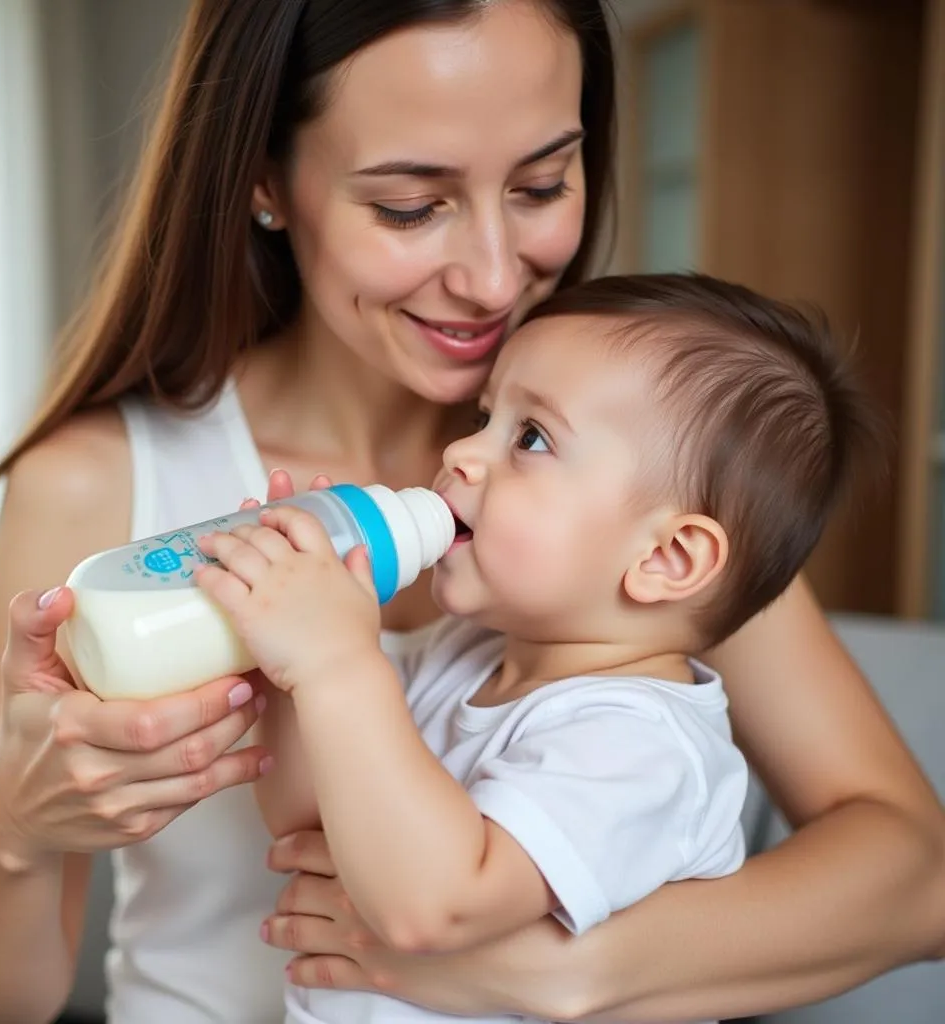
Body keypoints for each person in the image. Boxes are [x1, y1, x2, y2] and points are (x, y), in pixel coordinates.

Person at [0, 2, 941, 1023]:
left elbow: (915, 878)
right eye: (412, 205)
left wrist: (567, 970)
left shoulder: (653, 487)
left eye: (542, 184)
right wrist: (10, 823)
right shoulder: (96, 484)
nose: (496, 278)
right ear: (264, 180)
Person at [197, 272, 880, 1024]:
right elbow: (307, 819)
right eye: (486, 414)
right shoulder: (464, 654)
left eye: (530, 438)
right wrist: (287, 661)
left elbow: (436, 908)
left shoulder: (645, 745)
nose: (461, 451)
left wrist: (338, 668)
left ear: (668, 559)